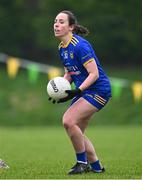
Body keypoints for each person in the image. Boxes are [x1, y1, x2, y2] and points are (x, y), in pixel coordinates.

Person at [49, 10, 111, 175]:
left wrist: (77, 90)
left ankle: (81, 163)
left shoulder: (80, 46)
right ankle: (96, 168)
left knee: (68, 121)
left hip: (98, 90)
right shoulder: (62, 47)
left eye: (62, 22)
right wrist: (62, 90)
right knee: (77, 131)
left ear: (71, 27)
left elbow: (94, 74)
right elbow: (69, 73)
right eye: (55, 21)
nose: (56, 24)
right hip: (84, 91)